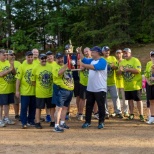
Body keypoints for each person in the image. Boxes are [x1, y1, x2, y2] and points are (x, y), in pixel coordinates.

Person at [79, 46, 107, 129]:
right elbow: (84, 59)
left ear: (98, 53)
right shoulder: (92, 60)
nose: (91, 53)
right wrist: (80, 51)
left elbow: (95, 67)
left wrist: (83, 65)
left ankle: (101, 122)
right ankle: (87, 121)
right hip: (90, 88)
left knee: (101, 106)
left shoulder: (103, 61)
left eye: (93, 52)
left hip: (100, 88)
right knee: (89, 106)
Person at [118, 48, 144, 121]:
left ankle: (141, 115)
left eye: (126, 53)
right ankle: (131, 114)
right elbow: (118, 74)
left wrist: (128, 69)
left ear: (130, 53)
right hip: (127, 85)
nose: (125, 55)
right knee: (130, 100)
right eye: (124, 53)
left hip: (135, 85)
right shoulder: (122, 62)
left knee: (138, 100)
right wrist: (120, 70)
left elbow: (138, 71)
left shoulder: (135, 60)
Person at [31, 53, 55, 129]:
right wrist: (40, 86)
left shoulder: (50, 67)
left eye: (45, 58)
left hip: (49, 92)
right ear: (39, 59)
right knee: (38, 108)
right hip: (40, 93)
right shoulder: (35, 68)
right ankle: (37, 122)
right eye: (42, 58)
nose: (44, 60)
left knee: (52, 107)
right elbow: (33, 81)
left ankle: (53, 121)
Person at [52, 52, 74, 132]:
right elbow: (59, 73)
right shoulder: (55, 66)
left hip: (69, 90)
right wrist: (67, 64)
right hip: (60, 90)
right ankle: (56, 125)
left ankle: (62, 122)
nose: (60, 60)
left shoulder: (65, 65)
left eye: (62, 58)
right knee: (59, 108)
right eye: (58, 58)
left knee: (65, 108)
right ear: (56, 59)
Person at [16, 51, 36, 128]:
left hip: (34, 91)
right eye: (29, 57)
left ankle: (31, 121)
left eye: (31, 57)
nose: (30, 58)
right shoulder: (22, 66)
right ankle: (24, 122)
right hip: (25, 91)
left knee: (33, 107)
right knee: (24, 107)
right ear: (26, 57)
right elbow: (18, 79)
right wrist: (17, 90)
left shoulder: (36, 65)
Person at [102, 46, 122, 119]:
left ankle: (118, 112)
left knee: (115, 97)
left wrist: (113, 66)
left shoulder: (113, 58)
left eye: (108, 50)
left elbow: (116, 67)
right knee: (104, 99)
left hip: (112, 82)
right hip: (103, 83)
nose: (107, 52)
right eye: (105, 50)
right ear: (102, 52)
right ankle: (105, 113)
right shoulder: (101, 59)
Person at [0, 49, 15, 127]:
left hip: (9, 88)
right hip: (2, 89)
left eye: (6, 55)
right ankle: (0, 120)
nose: (5, 56)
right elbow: (1, 74)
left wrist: (12, 65)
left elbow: (14, 73)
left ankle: (6, 118)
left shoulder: (8, 62)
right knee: (1, 105)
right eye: (4, 55)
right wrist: (9, 69)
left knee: (7, 104)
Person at [6, 50, 21, 120]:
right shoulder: (5, 63)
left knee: (18, 101)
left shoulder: (18, 63)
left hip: (16, 85)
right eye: (11, 55)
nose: (13, 56)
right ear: (7, 56)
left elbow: (18, 74)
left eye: (14, 55)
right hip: (7, 86)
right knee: (9, 103)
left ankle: (18, 114)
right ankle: (10, 115)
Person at [78, 47, 91, 121]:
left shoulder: (93, 60)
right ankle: (80, 113)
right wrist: (81, 67)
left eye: (87, 51)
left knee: (94, 99)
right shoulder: (81, 59)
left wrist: (84, 66)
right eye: (84, 52)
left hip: (92, 83)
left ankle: (95, 113)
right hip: (83, 82)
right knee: (82, 99)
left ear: (90, 51)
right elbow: (79, 69)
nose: (86, 53)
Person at [115, 49, 129, 117]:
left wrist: (121, 70)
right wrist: (120, 70)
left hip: (124, 83)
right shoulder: (114, 62)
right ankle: (118, 111)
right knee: (116, 98)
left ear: (122, 54)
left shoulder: (125, 61)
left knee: (125, 99)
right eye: (117, 53)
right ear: (115, 54)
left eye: (120, 53)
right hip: (116, 82)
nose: (119, 54)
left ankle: (126, 112)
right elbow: (118, 73)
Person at [45, 51, 56, 123]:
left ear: (53, 56)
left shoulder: (56, 63)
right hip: (46, 86)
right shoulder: (45, 64)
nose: (49, 57)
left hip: (55, 85)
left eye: (51, 56)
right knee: (47, 102)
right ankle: (48, 115)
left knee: (53, 102)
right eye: (48, 56)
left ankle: (53, 116)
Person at [144, 51, 154, 124]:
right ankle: (152, 117)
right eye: (152, 56)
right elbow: (146, 75)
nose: (153, 57)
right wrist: (148, 82)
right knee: (151, 101)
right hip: (150, 85)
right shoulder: (148, 64)